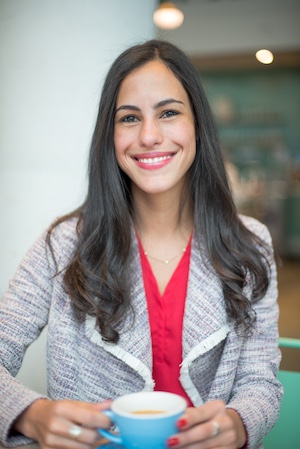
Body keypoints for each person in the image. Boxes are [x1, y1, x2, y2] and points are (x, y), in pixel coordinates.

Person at [0, 39, 282, 449]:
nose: (149, 136)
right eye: (129, 118)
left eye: (168, 113)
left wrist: (239, 425)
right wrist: (30, 413)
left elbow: (261, 382)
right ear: (110, 136)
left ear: (198, 125)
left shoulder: (250, 244)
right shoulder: (62, 246)